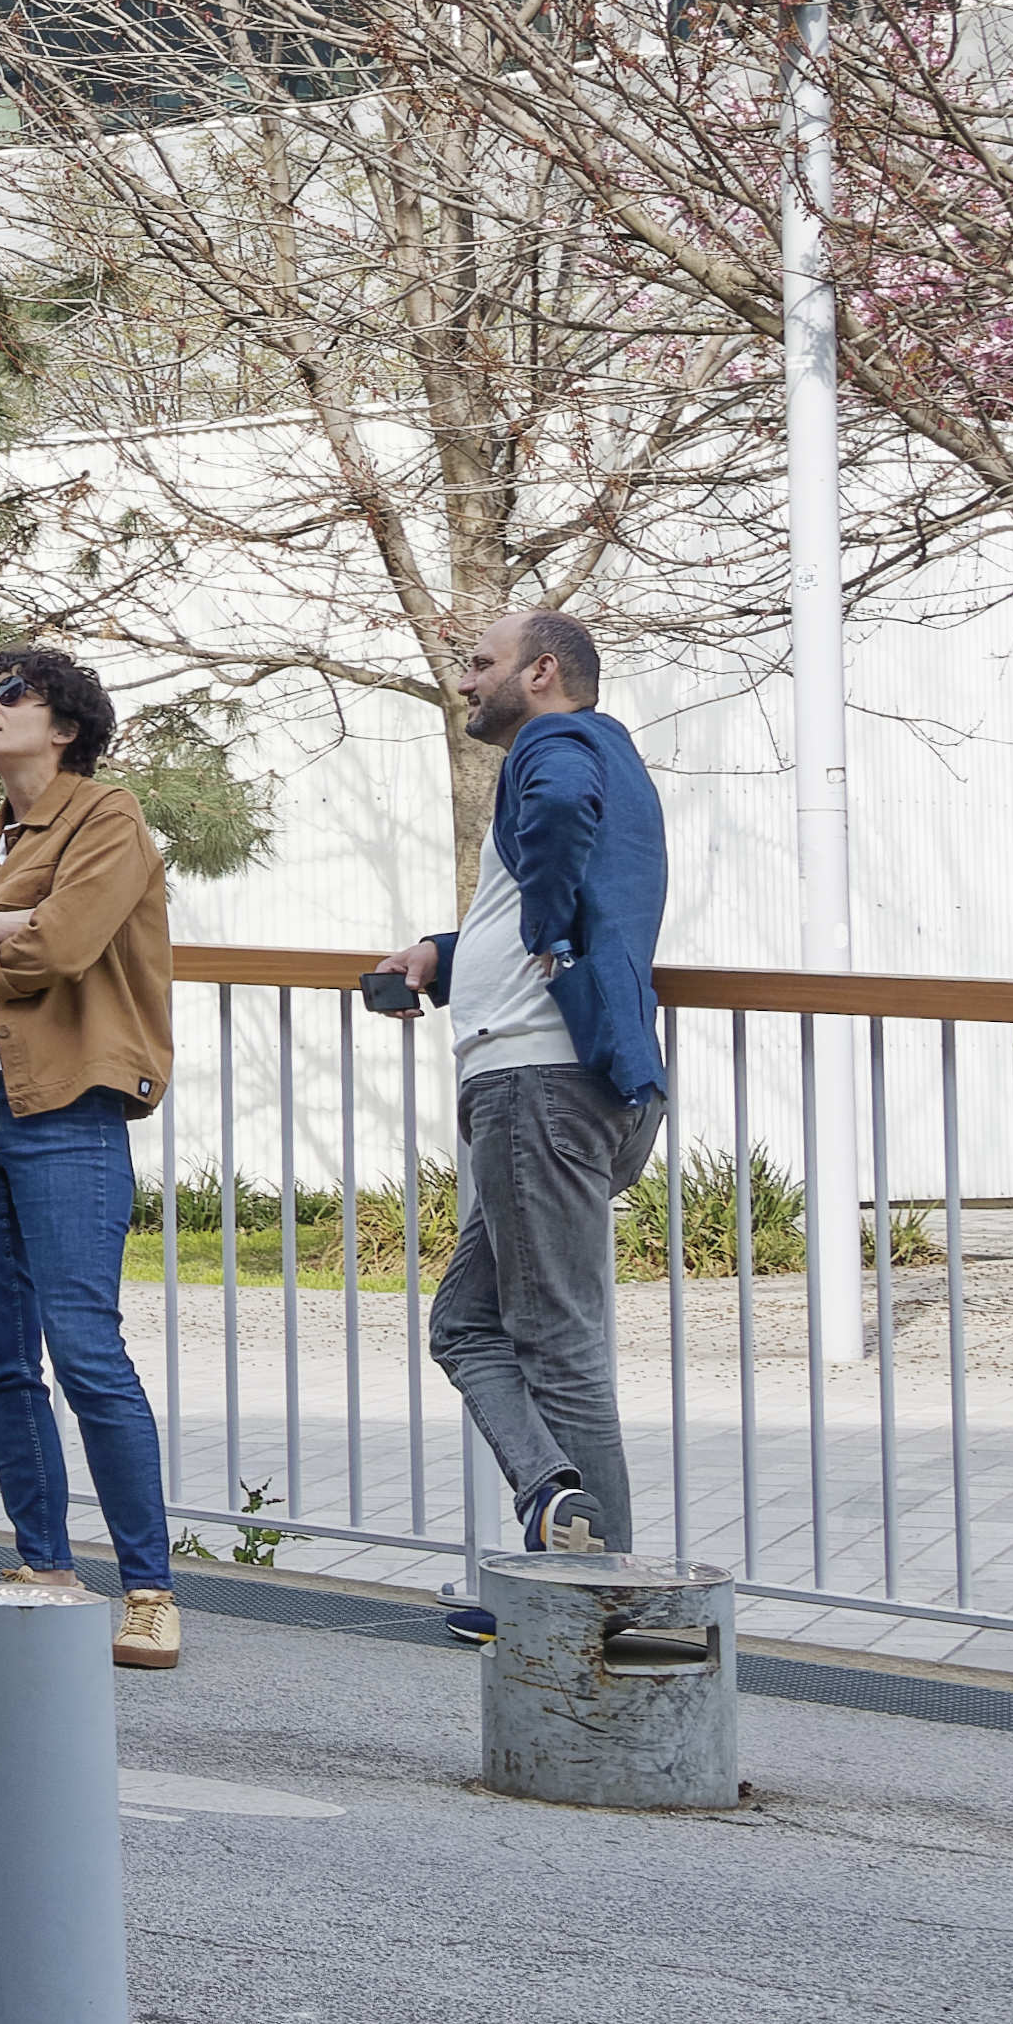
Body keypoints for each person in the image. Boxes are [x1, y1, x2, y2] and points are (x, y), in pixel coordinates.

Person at [0, 642, 183, 1672]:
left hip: (65, 1106)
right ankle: (45, 1562)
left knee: (85, 1349)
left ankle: (147, 1586)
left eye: (10, 695)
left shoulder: (108, 816)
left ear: (64, 725)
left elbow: (61, 947)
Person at [383, 606, 667, 1636]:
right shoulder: (605, 751)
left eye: (480, 664)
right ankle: (559, 1515)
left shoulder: (555, 745)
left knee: (557, 1343)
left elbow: (554, 835)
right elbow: (549, 899)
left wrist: (545, 930)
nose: (465, 682)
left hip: (534, 1086)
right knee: (464, 1325)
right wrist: (442, 953)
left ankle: (604, 1604)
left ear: (543, 672)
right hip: (560, 1080)